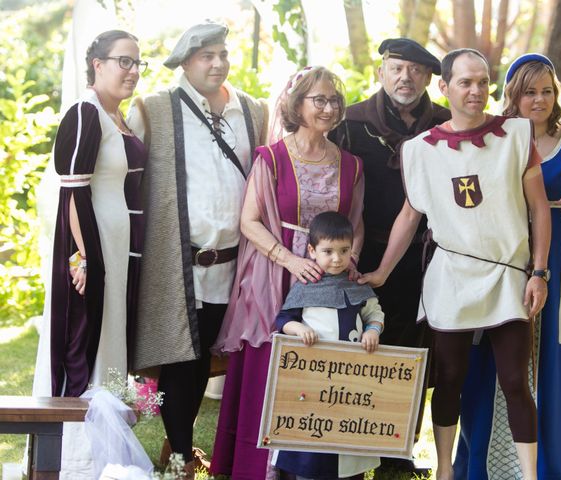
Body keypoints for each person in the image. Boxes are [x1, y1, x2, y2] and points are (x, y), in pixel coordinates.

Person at [360, 48, 552, 480]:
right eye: (465, 82)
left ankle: (530, 476)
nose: (476, 91)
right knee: (448, 378)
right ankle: (446, 471)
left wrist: (538, 271)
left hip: (509, 275)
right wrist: (382, 272)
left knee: (516, 382)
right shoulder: (421, 150)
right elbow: (410, 215)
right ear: (444, 87)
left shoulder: (518, 135)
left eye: (483, 82)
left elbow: (539, 209)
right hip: (451, 276)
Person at [455, 53, 561, 480]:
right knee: (495, 365)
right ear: (513, 96)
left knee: (557, 369)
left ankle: (559, 469)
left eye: (547, 91)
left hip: (559, 272)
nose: (539, 100)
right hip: (504, 266)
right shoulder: (491, 138)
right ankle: (488, 468)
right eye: (530, 92)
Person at [127, 21, 268, 478]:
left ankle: (179, 442)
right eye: (206, 55)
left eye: (223, 53)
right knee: (183, 361)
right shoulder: (153, 110)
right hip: (180, 262)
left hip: (237, 262)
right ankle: (185, 456)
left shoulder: (252, 111)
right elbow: (130, 184)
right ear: (185, 61)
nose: (217, 63)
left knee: (215, 357)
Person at [210, 66, 364, 480]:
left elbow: (356, 223)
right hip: (277, 274)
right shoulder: (272, 158)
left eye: (334, 100)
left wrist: (342, 268)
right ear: (297, 105)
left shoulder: (351, 165)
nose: (329, 108)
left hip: (330, 277)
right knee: (272, 362)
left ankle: (316, 464)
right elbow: (250, 221)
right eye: (319, 100)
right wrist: (290, 260)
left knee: (323, 367)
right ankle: (262, 467)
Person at [329, 40, 450, 472]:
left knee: (412, 350)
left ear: (430, 79)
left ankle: (398, 450)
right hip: (361, 250)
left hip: (424, 256)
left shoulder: (444, 124)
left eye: (416, 71)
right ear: (381, 72)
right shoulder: (351, 123)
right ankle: (352, 447)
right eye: (397, 68)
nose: (406, 78)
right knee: (362, 343)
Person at [31, 29, 147, 477]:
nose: (133, 71)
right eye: (124, 61)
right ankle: (76, 462)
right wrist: (82, 258)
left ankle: (106, 459)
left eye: (138, 63)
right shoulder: (84, 113)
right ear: (97, 64)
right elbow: (71, 191)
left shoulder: (116, 116)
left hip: (116, 251)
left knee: (109, 341)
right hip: (92, 253)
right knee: (86, 345)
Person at [274, 211, 383, 479]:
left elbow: (374, 314)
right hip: (313, 382)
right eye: (328, 251)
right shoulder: (304, 287)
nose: (337, 258)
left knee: (349, 442)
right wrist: (299, 329)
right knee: (311, 444)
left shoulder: (357, 286)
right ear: (312, 251)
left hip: (352, 382)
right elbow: (283, 320)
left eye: (344, 250)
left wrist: (372, 330)